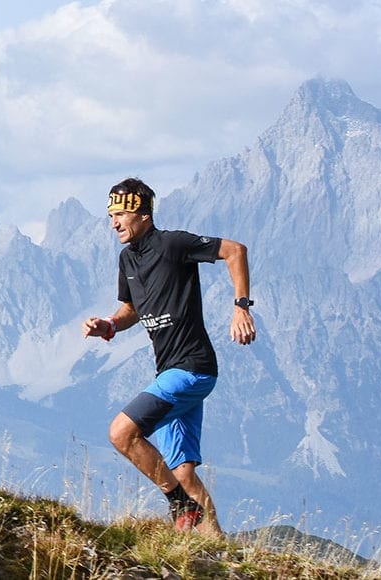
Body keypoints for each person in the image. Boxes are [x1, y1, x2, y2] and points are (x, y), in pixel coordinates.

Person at [82, 177, 255, 536]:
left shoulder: (173, 244)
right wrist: (110, 325)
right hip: (171, 371)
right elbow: (131, 308)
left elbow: (235, 250)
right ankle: (215, 548)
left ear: (143, 214)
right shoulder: (127, 258)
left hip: (192, 368)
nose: (114, 222)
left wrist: (241, 307)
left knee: (121, 433)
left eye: (120, 214)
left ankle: (180, 506)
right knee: (182, 472)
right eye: (110, 215)